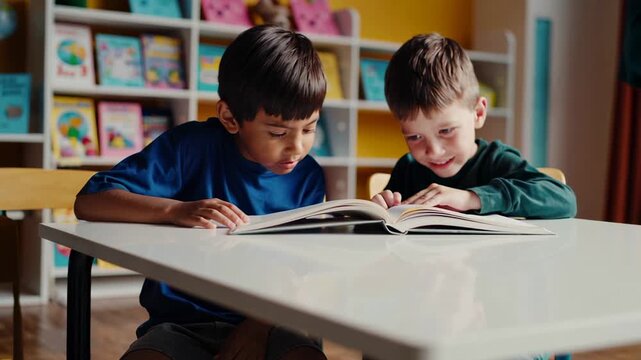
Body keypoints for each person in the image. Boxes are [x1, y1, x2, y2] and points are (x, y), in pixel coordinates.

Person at [74, 25, 328, 360]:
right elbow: (89, 201)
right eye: (278, 132)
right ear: (230, 117)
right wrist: (174, 210)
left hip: (272, 321)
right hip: (182, 324)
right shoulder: (191, 147)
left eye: (309, 128)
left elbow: (298, 274)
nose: (297, 147)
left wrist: (255, 328)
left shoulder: (308, 176)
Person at [371, 33, 576, 219]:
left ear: (478, 113)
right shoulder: (408, 169)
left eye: (446, 130)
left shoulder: (496, 161)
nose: (434, 151)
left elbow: (564, 200)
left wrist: (471, 198)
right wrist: (380, 212)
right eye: (415, 137)